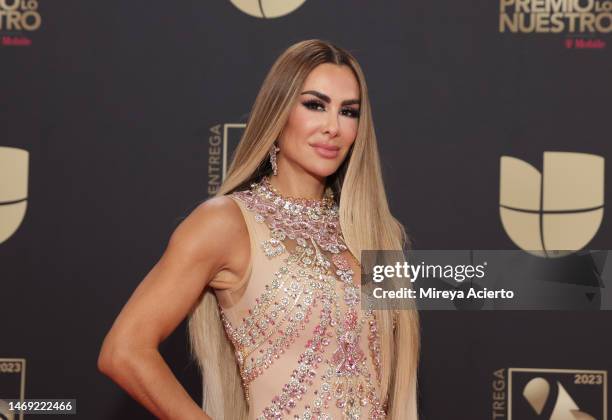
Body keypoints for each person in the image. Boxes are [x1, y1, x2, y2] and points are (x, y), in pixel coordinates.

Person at [98, 39, 420, 420]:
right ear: (278, 112)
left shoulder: (376, 233)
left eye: (348, 112)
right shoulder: (226, 222)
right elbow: (124, 351)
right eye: (315, 105)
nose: (333, 127)